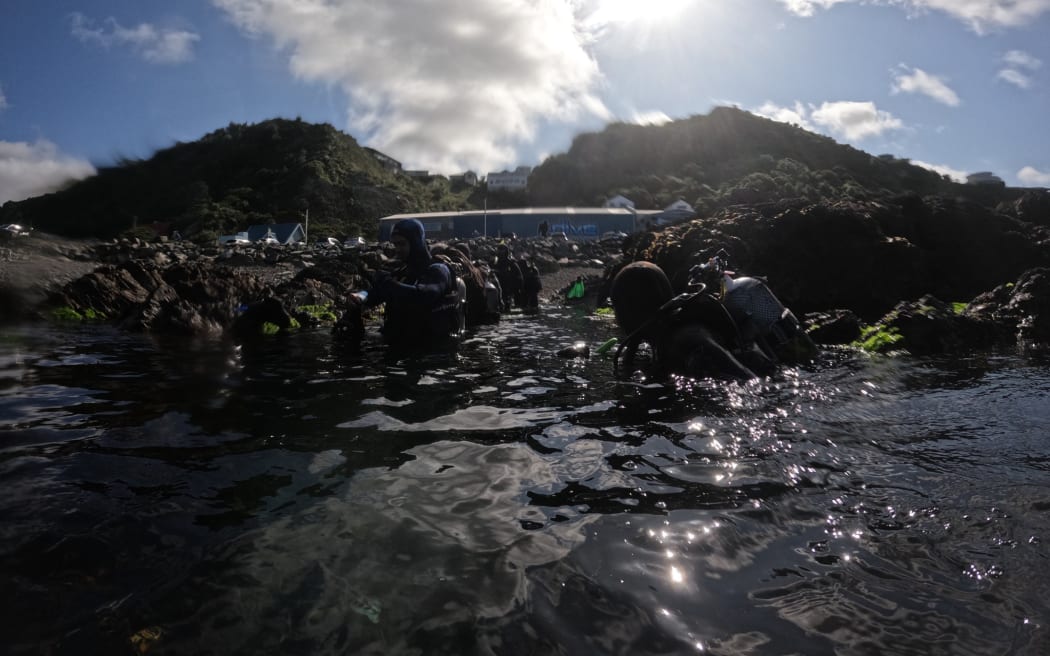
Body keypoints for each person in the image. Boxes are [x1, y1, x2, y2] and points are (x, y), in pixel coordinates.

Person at [337, 218, 464, 350]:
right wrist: (359, 296)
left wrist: (390, 284)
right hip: (402, 344)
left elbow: (426, 294)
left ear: (416, 243)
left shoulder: (438, 270)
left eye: (402, 244)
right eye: (395, 244)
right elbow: (375, 293)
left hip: (434, 350)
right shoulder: (401, 273)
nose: (397, 249)